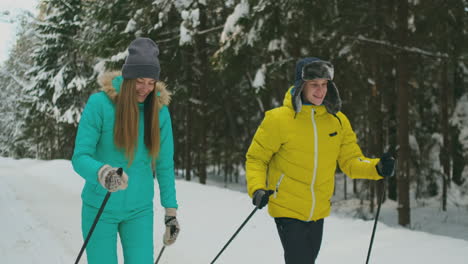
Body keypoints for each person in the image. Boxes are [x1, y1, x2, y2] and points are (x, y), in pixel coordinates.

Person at [245, 57, 395, 264]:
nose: (320, 90)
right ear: (300, 86)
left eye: (324, 84)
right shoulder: (279, 119)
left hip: (318, 211)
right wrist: (257, 188)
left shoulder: (338, 121)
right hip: (287, 207)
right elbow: (256, 158)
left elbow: (351, 161)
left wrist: (377, 168)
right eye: (314, 84)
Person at [72, 37, 179, 264]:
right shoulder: (100, 104)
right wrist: (103, 173)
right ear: (128, 77)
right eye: (140, 81)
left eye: (151, 82)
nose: (145, 89)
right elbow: (80, 157)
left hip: (139, 210)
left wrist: (171, 213)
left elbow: (164, 164)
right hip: (100, 207)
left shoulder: (158, 112)